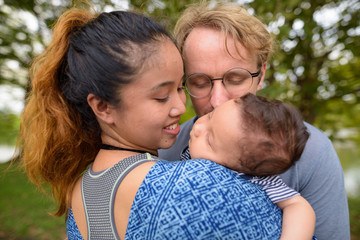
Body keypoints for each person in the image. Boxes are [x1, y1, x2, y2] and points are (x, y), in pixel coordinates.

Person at [17, 4, 284, 240]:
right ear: (103, 107)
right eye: (160, 96)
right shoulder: (197, 183)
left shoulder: (80, 192)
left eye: (181, 87)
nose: (181, 106)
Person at [159, 2, 350, 239]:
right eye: (199, 82)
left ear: (260, 76)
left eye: (236, 79)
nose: (218, 101)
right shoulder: (166, 149)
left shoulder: (313, 154)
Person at [189, 93, 316, 239]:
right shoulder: (193, 150)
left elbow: (297, 206)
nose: (198, 126)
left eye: (209, 140)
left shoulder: (255, 180)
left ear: (239, 168)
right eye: (211, 115)